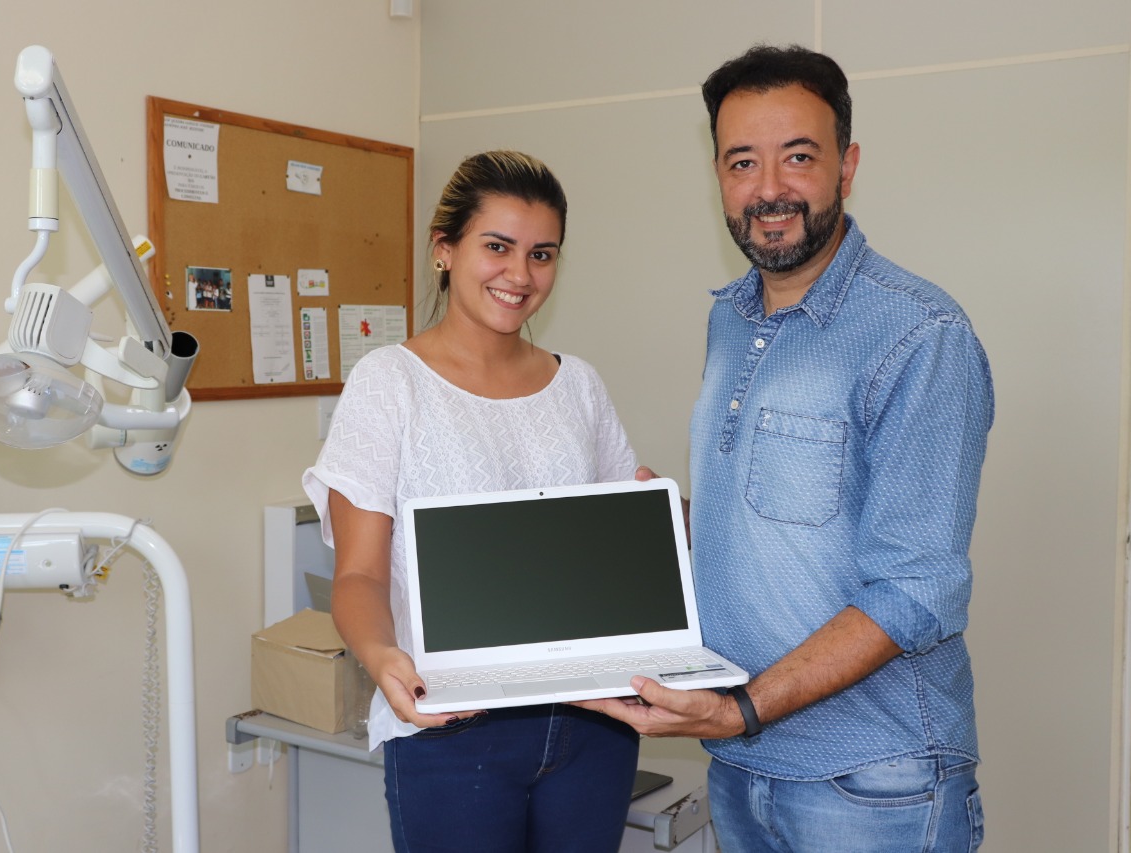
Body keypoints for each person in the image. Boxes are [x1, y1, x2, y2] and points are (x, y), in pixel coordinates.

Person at [575, 45, 993, 852]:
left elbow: (917, 588)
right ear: (718, 176)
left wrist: (743, 707)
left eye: (798, 156)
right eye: (743, 162)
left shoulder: (920, 333)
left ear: (848, 166)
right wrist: (669, 522)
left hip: (876, 781)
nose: (769, 188)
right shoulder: (731, 318)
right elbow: (785, 515)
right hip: (741, 768)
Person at [302, 150, 640, 853]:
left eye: (542, 254)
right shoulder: (389, 384)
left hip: (593, 723)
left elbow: (620, 536)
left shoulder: (578, 385)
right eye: (497, 247)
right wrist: (380, 655)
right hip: (454, 727)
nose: (520, 274)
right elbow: (359, 575)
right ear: (444, 249)